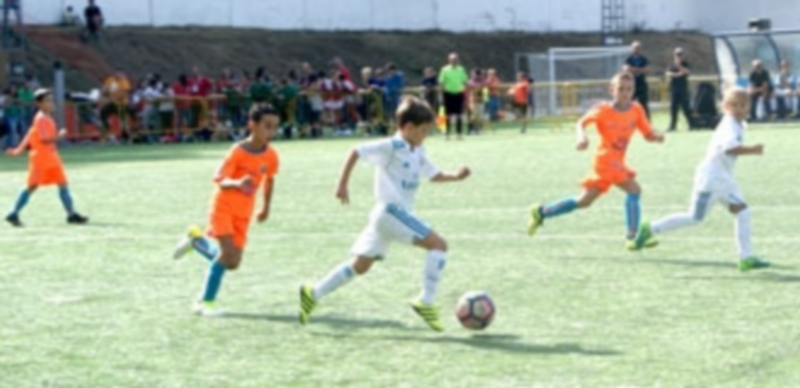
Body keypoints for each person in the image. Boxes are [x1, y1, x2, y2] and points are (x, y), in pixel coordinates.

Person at [298, 96, 471, 332]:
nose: (426, 134)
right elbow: (356, 151)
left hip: (386, 217)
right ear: (408, 127)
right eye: (423, 130)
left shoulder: (417, 150)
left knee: (360, 265)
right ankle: (426, 301)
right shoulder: (392, 147)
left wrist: (455, 176)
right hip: (391, 211)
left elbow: (433, 174)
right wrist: (342, 184)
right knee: (439, 245)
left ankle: (313, 293)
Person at [633, 88, 770, 271]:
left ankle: (745, 257)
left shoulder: (737, 123)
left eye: (743, 105)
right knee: (695, 217)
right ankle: (650, 228)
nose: (739, 108)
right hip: (711, 179)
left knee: (743, 211)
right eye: (734, 104)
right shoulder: (730, 124)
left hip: (723, 179)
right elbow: (728, 149)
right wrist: (752, 150)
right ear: (725, 106)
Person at [527, 72, 664, 248]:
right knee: (634, 190)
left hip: (616, 163)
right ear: (612, 90)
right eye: (620, 89)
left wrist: (656, 137)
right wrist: (581, 138)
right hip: (605, 161)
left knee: (584, 201)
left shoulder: (636, 110)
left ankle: (542, 212)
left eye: (629, 89)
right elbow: (581, 123)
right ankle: (633, 235)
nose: (625, 93)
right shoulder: (603, 110)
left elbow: (647, 133)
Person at [172, 105, 280, 316]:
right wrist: (238, 183)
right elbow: (220, 179)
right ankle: (205, 303)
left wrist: (265, 207)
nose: (271, 132)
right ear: (253, 125)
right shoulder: (237, 151)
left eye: (275, 127)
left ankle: (197, 242)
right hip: (223, 207)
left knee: (233, 262)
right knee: (226, 254)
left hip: (244, 213)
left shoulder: (271, 156)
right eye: (267, 126)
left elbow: (269, 181)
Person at [4, 89, 89, 227]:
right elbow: (43, 139)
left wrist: (17, 150)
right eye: (48, 100)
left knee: (62, 184)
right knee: (32, 186)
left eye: (51, 99)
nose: (51, 102)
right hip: (41, 158)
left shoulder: (43, 117)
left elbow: (30, 134)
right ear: (39, 103)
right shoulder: (41, 118)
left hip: (51, 156)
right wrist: (59, 136)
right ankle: (13, 213)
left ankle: (71, 213)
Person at [439, 53, 469, 140]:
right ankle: (447, 134)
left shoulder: (461, 70)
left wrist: (466, 94)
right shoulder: (444, 70)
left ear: (458, 60)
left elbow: (465, 82)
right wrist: (441, 95)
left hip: (459, 94)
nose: (454, 61)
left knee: (459, 114)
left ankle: (459, 134)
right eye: (452, 59)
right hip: (448, 93)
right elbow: (441, 82)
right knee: (447, 114)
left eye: (455, 59)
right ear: (449, 60)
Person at [666, 47, 693, 131]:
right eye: (677, 54)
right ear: (674, 55)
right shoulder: (671, 64)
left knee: (686, 108)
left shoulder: (685, 64)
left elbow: (687, 72)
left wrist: (680, 66)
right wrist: (678, 74)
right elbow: (668, 73)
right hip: (674, 89)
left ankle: (691, 124)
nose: (679, 56)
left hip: (683, 89)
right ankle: (673, 126)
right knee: (673, 108)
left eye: (680, 54)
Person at [625, 41, 651, 119]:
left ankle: (647, 123)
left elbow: (647, 70)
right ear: (631, 49)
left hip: (641, 85)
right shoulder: (628, 59)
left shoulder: (644, 59)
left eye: (638, 48)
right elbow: (626, 69)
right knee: (628, 104)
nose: (637, 50)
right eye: (635, 48)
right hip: (631, 85)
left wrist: (634, 69)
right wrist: (640, 69)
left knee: (644, 105)